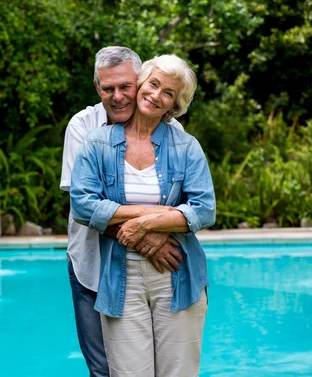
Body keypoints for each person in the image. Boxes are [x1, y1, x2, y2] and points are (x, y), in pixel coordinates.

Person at [70, 54, 216, 377]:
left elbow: (205, 209)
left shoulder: (186, 146)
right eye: (153, 85)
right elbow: (82, 203)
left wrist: (145, 223)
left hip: (178, 273)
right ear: (141, 84)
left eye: (168, 93)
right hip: (120, 277)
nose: (156, 95)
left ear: (174, 105)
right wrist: (153, 215)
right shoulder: (97, 143)